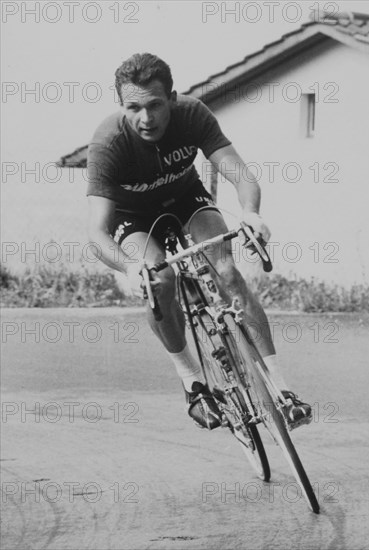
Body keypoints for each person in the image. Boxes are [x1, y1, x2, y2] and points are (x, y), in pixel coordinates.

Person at [87, 53, 312, 430]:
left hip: (187, 198)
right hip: (134, 219)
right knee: (160, 282)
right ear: (122, 106)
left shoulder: (193, 114)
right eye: (134, 108)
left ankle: (283, 392)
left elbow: (241, 175)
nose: (146, 118)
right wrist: (129, 267)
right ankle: (193, 383)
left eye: (156, 105)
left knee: (225, 269)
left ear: (172, 98)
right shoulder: (109, 143)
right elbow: (96, 232)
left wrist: (251, 213)